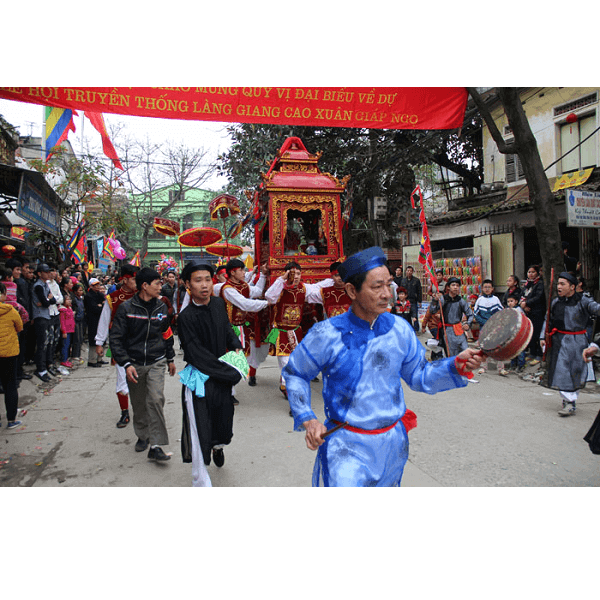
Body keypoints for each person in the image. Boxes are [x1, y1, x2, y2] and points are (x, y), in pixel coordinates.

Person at [283, 246, 483, 487]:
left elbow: (419, 376)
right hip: (345, 446)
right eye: (377, 287)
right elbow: (296, 373)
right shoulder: (326, 334)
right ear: (351, 291)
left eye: (388, 284)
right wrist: (308, 419)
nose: (387, 294)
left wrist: (456, 365)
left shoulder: (400, 329)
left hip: (392, 444)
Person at [177, 261, 243, 485]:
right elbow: (198, 356)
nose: (204, 285)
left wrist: (235, 344)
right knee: (199, 433)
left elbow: (226, 329)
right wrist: (231, 373)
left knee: (224, 425)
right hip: (199, 382)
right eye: (198, 280)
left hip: (221, 379)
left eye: (207, 279)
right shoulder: (185, 318)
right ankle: (201, 481)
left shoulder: (217, 304)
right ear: (187, 284)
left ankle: (218, 446)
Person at [109, 267, 176, 462]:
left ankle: (155, 445)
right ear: (144, 286)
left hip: (157, 361)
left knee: (155, 400)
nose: (160, 287)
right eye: (157, 283)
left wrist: (170, 358)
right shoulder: (126, 308)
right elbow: (116, 339)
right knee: (138, 404)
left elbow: (166, 334)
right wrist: (126, 363)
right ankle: (142, 435)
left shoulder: (161, 307)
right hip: (134, 363)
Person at [264, 261, 332, 397]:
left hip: (296, 331)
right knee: (286, 363)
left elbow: (319, 289)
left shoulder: (304, 288)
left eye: (299, 273)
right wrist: (281, 280)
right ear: (287, 274)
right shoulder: (280, 288)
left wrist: (337, 279)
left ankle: (285, 385)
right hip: (281, 332)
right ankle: (292, 395)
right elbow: (269, 297)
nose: (296, 277)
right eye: (292, 273)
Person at [540, 272, 600, 417]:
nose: (558, 287)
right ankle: (568, 401)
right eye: (558, 283)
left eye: (562, 284)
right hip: (560, 341)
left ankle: (571, 399)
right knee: (562, 370)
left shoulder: (583, 301)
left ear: (572, 287)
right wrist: (543, 335)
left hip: (579, 341)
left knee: (576, 371)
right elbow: (548, 319)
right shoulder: (555, 302)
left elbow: (596, 308)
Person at [95, 265, 139, 428]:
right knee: (122, 379)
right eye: (134, 279)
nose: (137, 282)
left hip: (141, 345)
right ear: (125, 279)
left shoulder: (144, 295)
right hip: (120, 345)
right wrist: (99, 342)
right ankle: (125, 412)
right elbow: (104, 320)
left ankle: (141, 410)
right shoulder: (112, 298)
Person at [219, 258, 269, 389]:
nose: (244, 272)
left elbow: (257, 291)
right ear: (232, 272)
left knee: (241, 358)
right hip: (230, 329)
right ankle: (229, 391)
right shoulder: (228, 289)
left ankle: (230, 388)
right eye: (241, 270)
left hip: (242, 327)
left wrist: (263, 274)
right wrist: (266, 303)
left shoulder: (243, 286)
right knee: (231, 360)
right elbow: (245, 304)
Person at [0, 283, 25, 430]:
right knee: (10, 385)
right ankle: (11, 420)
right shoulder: (10, 310)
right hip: (9, 353)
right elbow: (20, 327)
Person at [473, 279, 507, 376]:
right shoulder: (479, 300)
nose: (487, 289)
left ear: (492, 289)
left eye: (489, 287)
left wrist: (495, 322)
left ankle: (501, 368)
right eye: (485, 287)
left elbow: (501, 313)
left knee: (499, 348)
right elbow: (476, 314)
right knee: (484, 348)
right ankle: (483, 367)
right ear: (482, 288)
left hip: (495, 327)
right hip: (484, 327)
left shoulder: (496, 299)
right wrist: (485, 322)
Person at [31, 263, 57, 382]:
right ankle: (40, 369)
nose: (48, 274)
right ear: (39, 273)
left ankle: (46, 366)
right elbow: (47, 302)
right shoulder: (38, 286)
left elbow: (53, 300)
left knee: (47, 343)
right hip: (40, 317)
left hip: (47, 316)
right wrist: (48, 300)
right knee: (42, 344)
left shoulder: (46, 285)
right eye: (46, 272)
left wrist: (48, 300)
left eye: (49, 271)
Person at [439, 277, 474, 358]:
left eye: (457, 285)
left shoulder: (460, 300)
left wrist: (468, 324)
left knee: (465, 350)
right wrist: (435, 301)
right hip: (447, 330)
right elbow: (432, 310)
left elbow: (470, 314)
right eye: (453, 285)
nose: (455, 287)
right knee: (451, 354)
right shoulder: (443, 299)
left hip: (459, 328)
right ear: (448, 287)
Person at [520, 265, 546, 366]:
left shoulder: (540, 284)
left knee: (537, 334)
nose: (530, 274)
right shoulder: (527, 284)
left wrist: (527, 303)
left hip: (537, 312)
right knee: (529, 334)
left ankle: (539, 355)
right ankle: (532, 353)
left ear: (537, 273)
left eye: (533, 272)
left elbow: (538, 297)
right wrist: (523, 305)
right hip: (528, 312)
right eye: (529, 272)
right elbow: (522, 295)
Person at [84, 277, 106, 368]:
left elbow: (105, 304)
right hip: (92, 320)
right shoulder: (88, 296)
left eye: (98, 284)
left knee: (102, 338)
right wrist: (100, 306)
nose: (97, 286)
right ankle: (92, 360)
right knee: (93, 340)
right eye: (95, 285)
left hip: (101, 319)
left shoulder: (100, 294)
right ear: (91, 286)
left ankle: (99, 358)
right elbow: (94, 308)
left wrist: (101, 305)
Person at [505, 296, 527, 373]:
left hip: (519, 333)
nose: (510, 303)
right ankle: (513, 365)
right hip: (512, 333)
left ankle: (520, 366)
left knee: (520, 350)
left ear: (516, 302)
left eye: (511, 301)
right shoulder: (509, 310)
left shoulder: (519, 310)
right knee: (513, 351)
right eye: (508, 301)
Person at [400, 266, 422, 332]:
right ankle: (409, 327)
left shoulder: (416, 280)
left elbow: (419, 291)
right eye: (408, 271)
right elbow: (401, 290)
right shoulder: (403, 280)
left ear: (412, 272)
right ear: (406, 272)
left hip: (413, 300)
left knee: (414, 315)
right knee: (407, 314)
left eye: (410, 271)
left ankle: (416, 328)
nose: (409, 272)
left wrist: (419, 301)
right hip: (405, 300)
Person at [58, 295, 75, 368]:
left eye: (70, 299)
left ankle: (66, 359)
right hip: (66, 331)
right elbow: (62, 322)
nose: (69, 301)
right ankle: (63, 360)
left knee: (68, 345)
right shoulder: (62, 310)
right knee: (65, 345)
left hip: (71, 329)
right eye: (67, 300)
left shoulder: (70, 308)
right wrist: (64, 331)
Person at [71, 283, 85, 364]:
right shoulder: (74, 299)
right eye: (79, 290)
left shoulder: (80, 299)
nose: (81, 292)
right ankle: (75, 355)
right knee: (76, 338)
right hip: (75, 320)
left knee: (80, 337)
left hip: (81, 319)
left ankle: (78, 354)